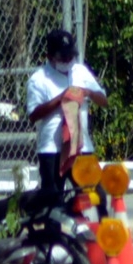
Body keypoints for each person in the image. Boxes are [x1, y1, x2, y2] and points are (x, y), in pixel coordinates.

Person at [26, 28, 108, 198]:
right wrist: (61, 99)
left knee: (96, 196)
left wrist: (89, 93)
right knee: (53, 200)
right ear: (49, 57)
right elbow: (33, 115)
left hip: (81, 147)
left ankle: (96, 223)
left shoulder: (80, 71)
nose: (68, 60)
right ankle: (54, 225)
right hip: (52, 149)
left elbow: (104, 101)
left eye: (71, 56)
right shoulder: (39, 79)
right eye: (63, 57)